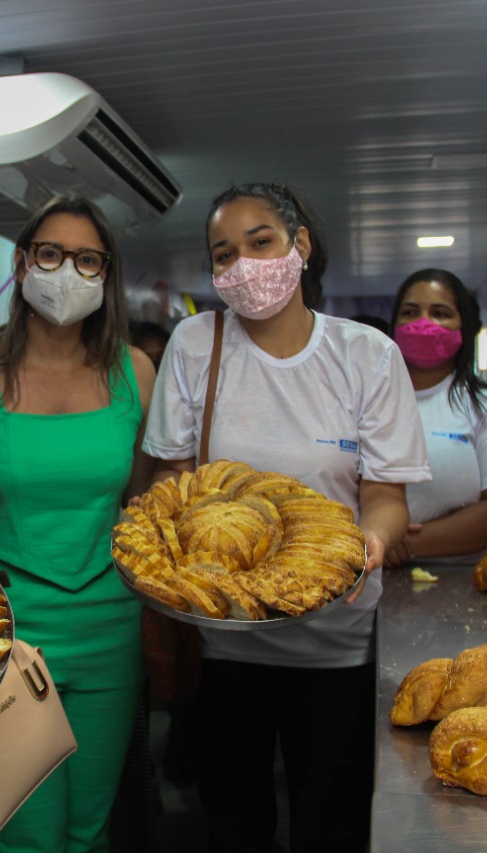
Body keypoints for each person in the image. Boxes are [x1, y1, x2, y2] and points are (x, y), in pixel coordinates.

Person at [141, 183, 430, 853]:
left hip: (338, 644)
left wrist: (375, 539)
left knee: (331, 826)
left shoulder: (367, 356)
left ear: (300, 245)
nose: (242, 263)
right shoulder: (195, 343)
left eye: (260, 241)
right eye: (223, 253)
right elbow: (170, 477)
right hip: (223, 639)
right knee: (233, 826)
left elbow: (386, 494)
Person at [0, 195, 156, 853]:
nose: (68, 272)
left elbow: (139, 507)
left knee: (89, 830)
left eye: (88, 260)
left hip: (112, 625)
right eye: (51, 254)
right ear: (22, 262)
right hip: (8, 633)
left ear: (106, 275)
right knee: (24, 836)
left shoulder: (133, 372)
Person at [383, 268, 487, 567]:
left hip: (457, 580)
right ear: (394, 325)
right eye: (410, 312)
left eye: (440, 313)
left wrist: (400, 543)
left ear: (464, 327)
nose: (423, 323)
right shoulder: (366, 401)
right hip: (360, 576)